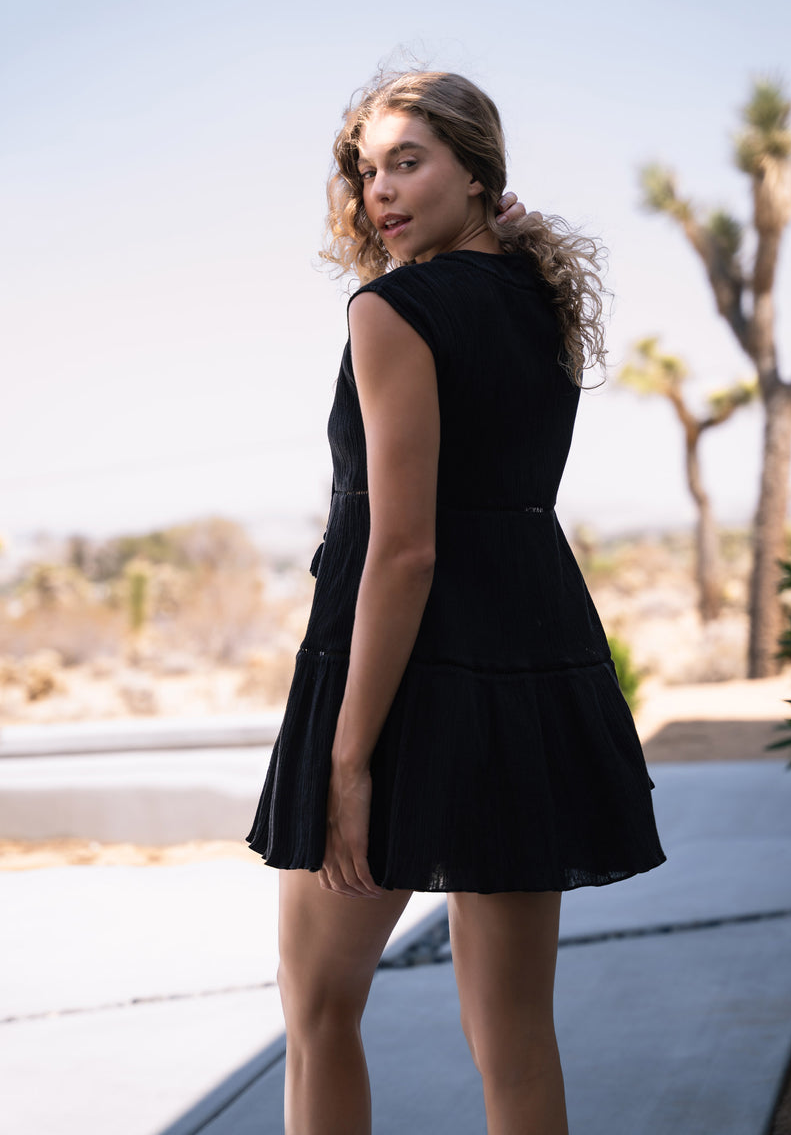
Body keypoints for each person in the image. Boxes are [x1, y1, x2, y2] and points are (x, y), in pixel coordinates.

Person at [247, 69, 666, 1135]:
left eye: (407, 162)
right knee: (516, 1038)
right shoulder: (540, 301)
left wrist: (348, 761)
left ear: (476, 171)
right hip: (528, 661)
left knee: (317, 1007)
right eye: (366, 171)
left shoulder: (390, 311)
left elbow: (404, 551)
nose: (379, 192)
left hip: (398, 676)